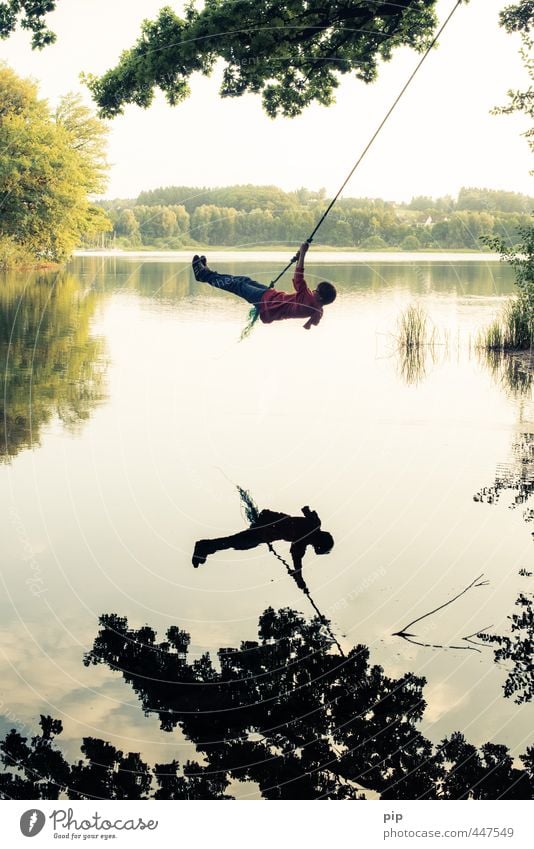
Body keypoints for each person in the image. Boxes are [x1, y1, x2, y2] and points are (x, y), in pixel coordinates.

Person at [192, 242, 336, 330]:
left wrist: (303, 253)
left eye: (316, 291)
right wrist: (309, 323)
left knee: (237, 284)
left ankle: (203, 275)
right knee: (243, 280)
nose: (313, 290)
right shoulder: (317, 309)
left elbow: (298, 276)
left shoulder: (309, 300)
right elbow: (313, 323)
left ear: (320, 297)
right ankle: (208, 273)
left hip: (266, 302)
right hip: (270, 297)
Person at [192, 505, 334, 593]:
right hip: (268, 528)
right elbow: (296, 558)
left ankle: (205, 548)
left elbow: (306, 509)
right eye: (315, 546)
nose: (312, 546)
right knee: (237, 543)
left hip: (271, 522)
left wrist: (308, 513)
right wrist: (300, 580)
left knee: (238, 543)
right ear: (318, 542)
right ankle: (203, 546)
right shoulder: (305, 538)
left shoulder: (314, 526)